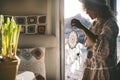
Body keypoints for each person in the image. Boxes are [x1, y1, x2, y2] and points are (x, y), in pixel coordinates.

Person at [71, 0, 119, 80]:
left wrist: (82, 27)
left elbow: (100, 43)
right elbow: (89, 43)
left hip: (103, 70)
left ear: (96, 8)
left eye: (88, 9)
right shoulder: (94, 24)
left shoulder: (111, 24)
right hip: (92, 68)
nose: (86, 13)